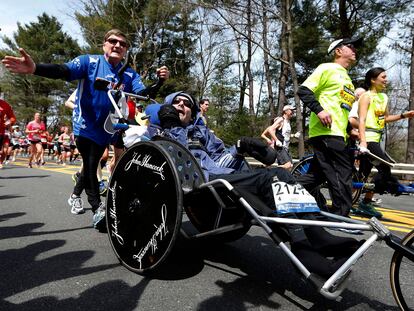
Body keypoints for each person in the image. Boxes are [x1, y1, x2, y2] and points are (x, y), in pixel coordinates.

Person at [153, 91, 362, 279]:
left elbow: (220, 160)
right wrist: (171, 125)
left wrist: (238, 149)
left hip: (221, 178)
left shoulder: (202, 133)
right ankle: (306, 246)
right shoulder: (159, 133)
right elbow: (173, 165)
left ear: (193, 112)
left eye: (186, 103)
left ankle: (315, 237)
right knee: (270, 177)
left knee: (280, 175)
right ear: (166, 109)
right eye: (175, 102)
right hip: (195, 183)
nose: (181, 105)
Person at [2, 28, 170, 231]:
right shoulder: (88, 62)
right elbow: (62, 70)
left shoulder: (128, 74)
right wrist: (35, 68)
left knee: (91, 165)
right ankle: (98, 208)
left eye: (122, 44)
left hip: (106, 127)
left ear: (126, 50)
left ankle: (74, 195)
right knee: (90, 162)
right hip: (84, 124)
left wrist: (159, 81)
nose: (117, 45)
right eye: (112, 41)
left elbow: (143, 93)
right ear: (104, 45)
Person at [296, 37, 363, 217]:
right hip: (326, 132)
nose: (354, 49)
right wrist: (319, 111)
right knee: (343, 171)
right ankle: (341, 216)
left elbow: (341, 109)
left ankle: (277, 195)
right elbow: (303, 90)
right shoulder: (326, 68)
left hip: (339, 133)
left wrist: (350, 130)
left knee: (316, 176)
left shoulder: (348, 79)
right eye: (350, 46)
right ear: (338, 51)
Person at [356, 67, 414, 218]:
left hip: (378, 138)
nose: (386, 80)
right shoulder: (366, 97)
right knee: (385, 166)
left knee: (364, 173)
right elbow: (361, 120)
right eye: (383, 77)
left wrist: (403, 115)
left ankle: (356, 202)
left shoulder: (384, 98)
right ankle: (366, 202)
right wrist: (363, 141)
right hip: (368, 138)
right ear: (373, 80)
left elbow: (385, 119)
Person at [261, 105, 296, 170]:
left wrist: (294, 135)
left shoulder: (288, 121)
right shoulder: (281, 120)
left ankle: (279, 178)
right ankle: (270, 171)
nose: (293, 112)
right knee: (288, 165)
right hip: (280, 147)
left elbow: (285, 135)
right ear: (286, 111)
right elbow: (270, 129)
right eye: (291, 110)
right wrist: (276, 140)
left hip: (286, 147)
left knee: (290, 166)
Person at [0, 99, 16, 169]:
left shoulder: (5, 104)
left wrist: (8, 123)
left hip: (1, 132)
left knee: (5, 151)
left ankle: (0, 162)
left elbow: (12, 118)